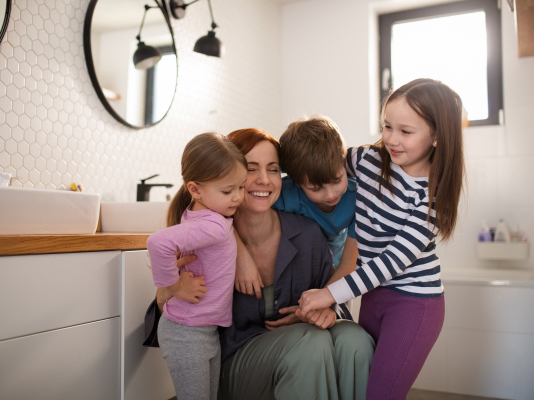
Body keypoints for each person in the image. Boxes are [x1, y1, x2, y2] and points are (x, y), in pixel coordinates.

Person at [150, 127, 374, 400]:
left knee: (355, 340)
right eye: (251, 169)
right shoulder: (203, 238)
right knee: (310, 344)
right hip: (233, 361)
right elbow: (167, 307)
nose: (264, 180)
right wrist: (172, 287)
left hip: (299, 347)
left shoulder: (308, 233)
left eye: (273, 169)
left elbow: (332, 293)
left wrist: (326, 311)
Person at [298, 78, 465, 399]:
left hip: (415, 304)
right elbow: (315, 166)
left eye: (406, 131)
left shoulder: (434, 196)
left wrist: (329, 294)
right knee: (363, 387)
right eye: (387, 126)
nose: (391, 139)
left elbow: (392, 262)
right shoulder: (365, 160)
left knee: (382, 394)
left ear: (437, 137)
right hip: (374, 296)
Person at [146, 132, 248, 400]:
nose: (238, 197)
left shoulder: (202, 212)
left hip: (199, 329)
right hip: (187, 333)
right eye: (228, 191)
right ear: (195, 189)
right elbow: (157, 243)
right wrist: (174, 285)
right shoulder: (213, 224)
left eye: (241, 186)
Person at [236, 116, 358, 319]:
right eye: (316, 188)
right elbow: (229, 213)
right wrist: (240, 254)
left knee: (341, 320)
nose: (330, 195)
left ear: (344, 163)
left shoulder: (358, 199)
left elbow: (349, 264)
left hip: (337, 270)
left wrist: (323, 301)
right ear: (298, 182)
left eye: (337, 180)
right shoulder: (286, 193)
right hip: (303, 269)